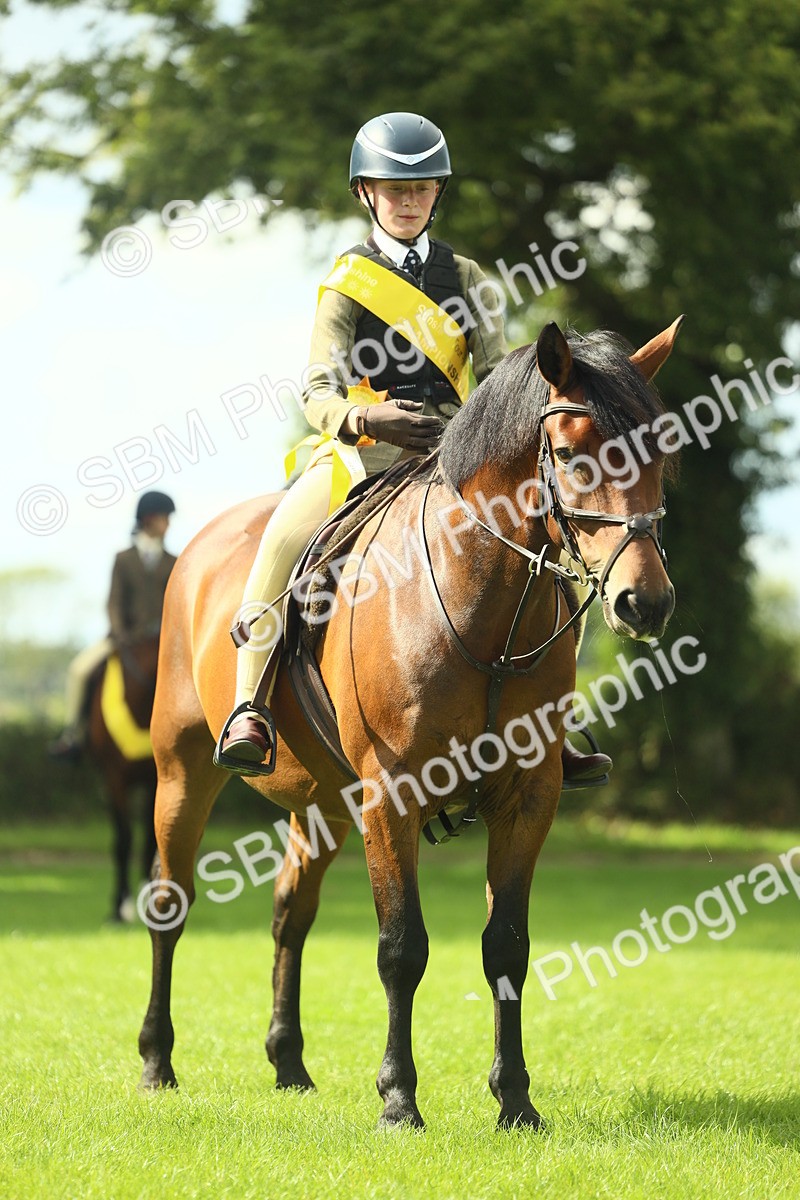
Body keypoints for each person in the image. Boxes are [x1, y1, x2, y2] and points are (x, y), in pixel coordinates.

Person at [216, 112, 610, 788]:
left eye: (421, 189)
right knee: (282, 543)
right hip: (365, 453)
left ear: (437, 193)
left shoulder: (470, 277)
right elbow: (316, 387)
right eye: (394, 190)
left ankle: (553, 721)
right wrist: (364, 417)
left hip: (458, 455)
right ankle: (248, 706)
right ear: (365, 193)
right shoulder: (347, 281)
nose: (408, 201)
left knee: (552, 553)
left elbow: (498, 377)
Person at [49, 491, 177, 759]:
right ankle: (74, 734)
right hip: (124, 638)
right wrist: (120, 633)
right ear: (150, 519)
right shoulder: (123, 559)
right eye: (165, 518)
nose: (168, 524)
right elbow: (114, 602)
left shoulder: (173, 561)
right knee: (79, 670)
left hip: (163, 641)